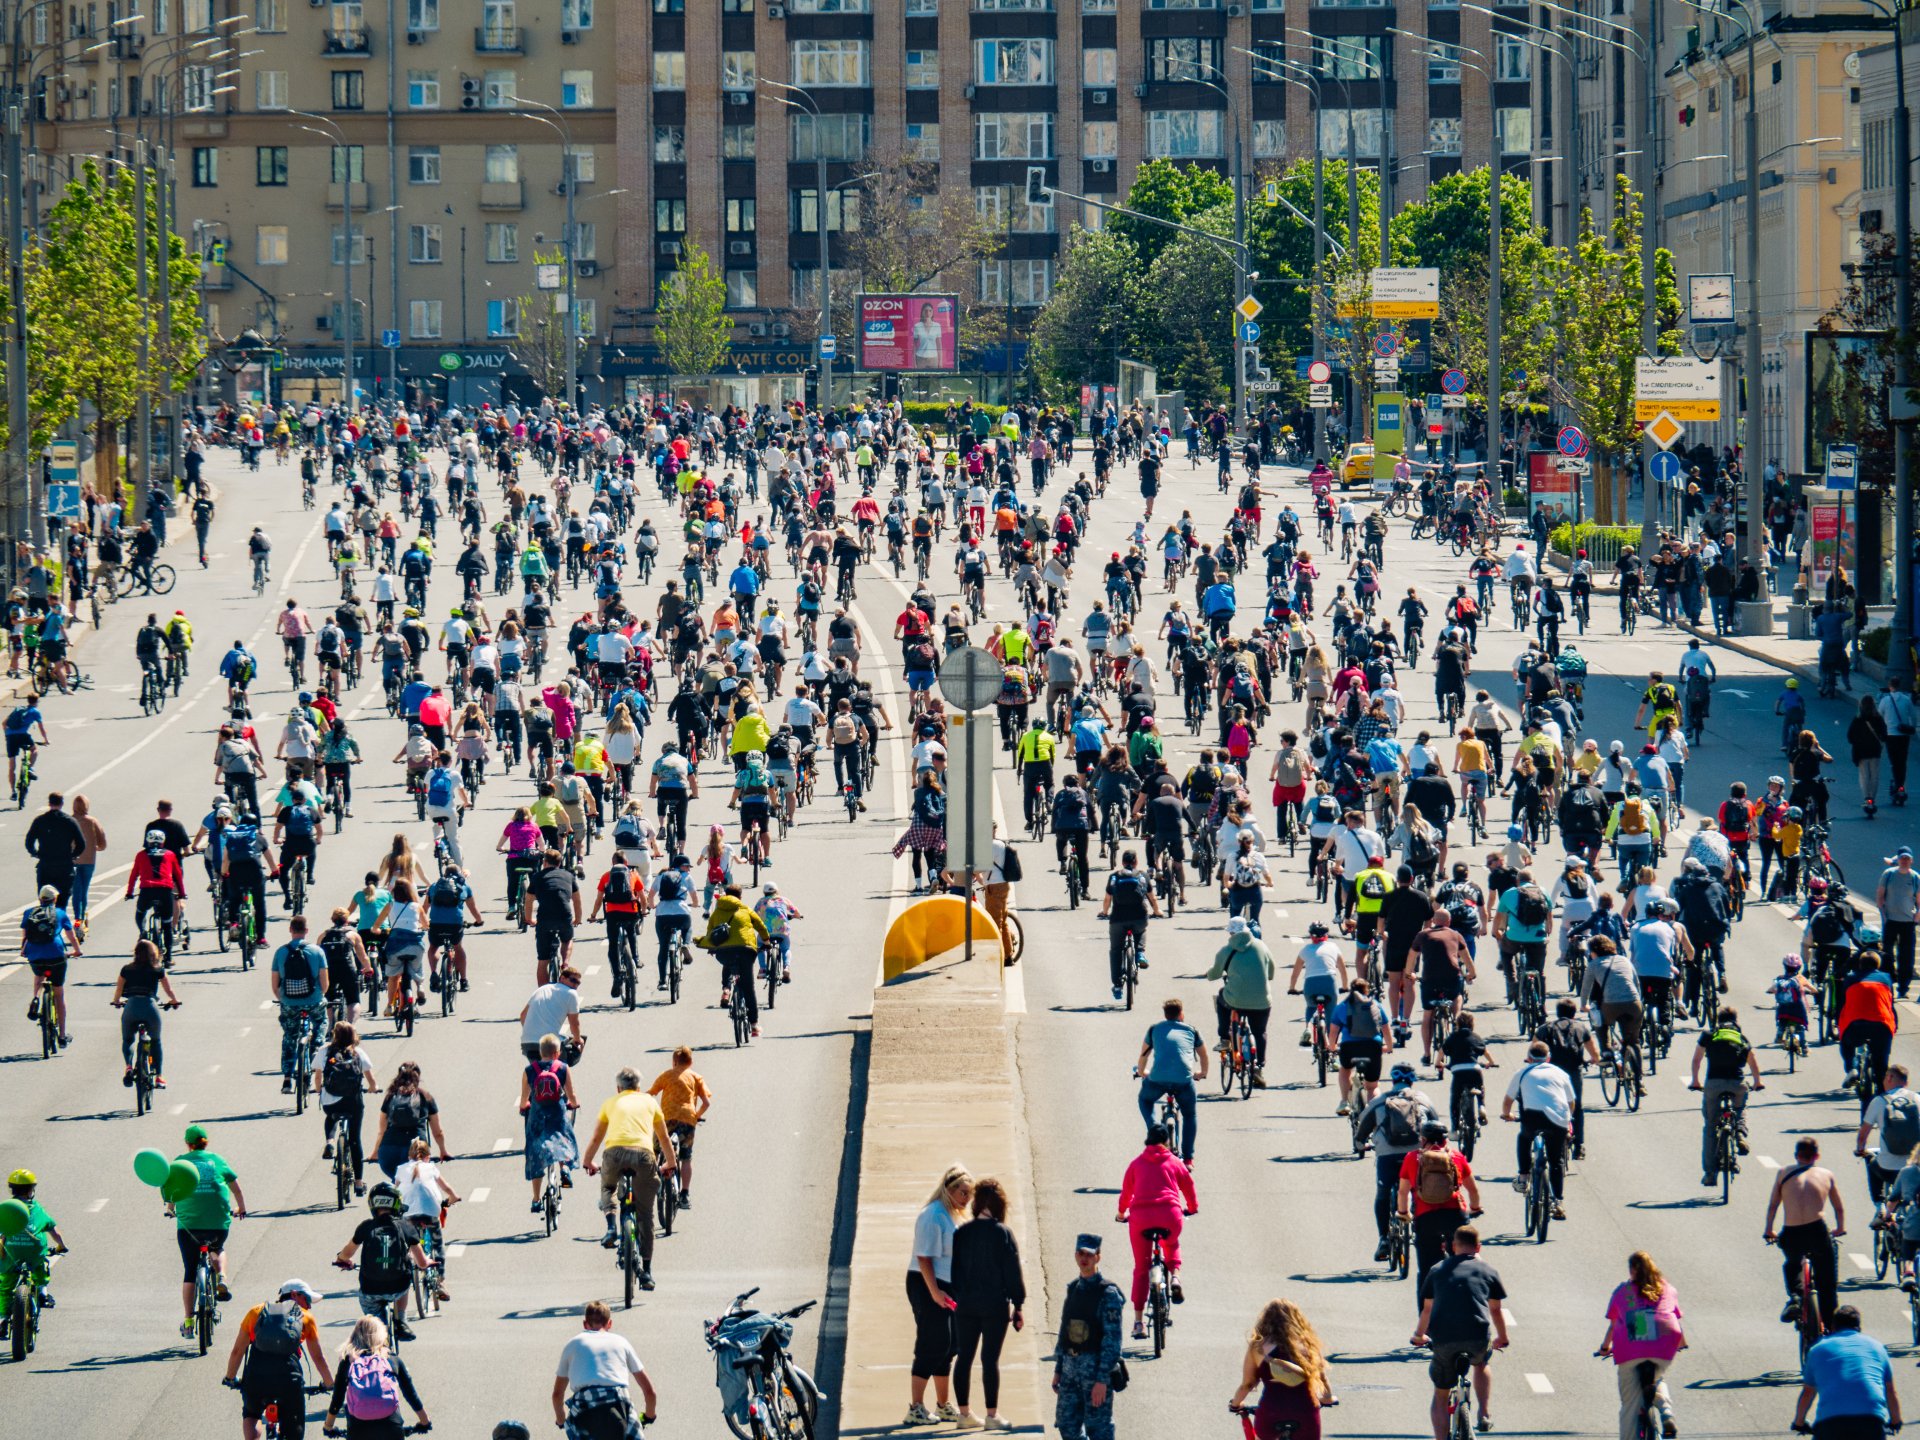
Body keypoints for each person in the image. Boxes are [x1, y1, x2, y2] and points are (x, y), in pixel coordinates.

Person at [580, 1067, 677, 1289]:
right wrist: (670, 1163)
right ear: (639, 1087)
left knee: (608, 1188)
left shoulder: (610, 1103)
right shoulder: (650, 1102)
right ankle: (647, 1272)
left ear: (618, 1088)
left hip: (614, 1154)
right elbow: (662, 1137)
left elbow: (597, 1138)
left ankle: (612, 1227)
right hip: (643, 1156)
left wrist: (588, 1161)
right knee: (645, 1216)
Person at [1411, 1226, 1509, 1440]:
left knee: (1440, 1394)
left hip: (1444, 1339)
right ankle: (1483, 1412)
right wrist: (1502, 1337)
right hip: (1477, 1335)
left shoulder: (1437, 1270)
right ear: (1478, 1247)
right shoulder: (1489, 1271)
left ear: (1452, 1247)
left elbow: (1427, 1309)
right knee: (1482, 1362)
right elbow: (1495, 1310)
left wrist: (1419, 1336)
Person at [950, 1177, 1027, 1432]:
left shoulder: (962, 1233)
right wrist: (1018, 1305)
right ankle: (992, 1415)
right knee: (989, 1359)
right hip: (994, 1305)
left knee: (964, 1358)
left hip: (966, 1305)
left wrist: (960, 1298)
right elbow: (1012, 1273)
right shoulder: (1002, 1233)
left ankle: (963, 1414)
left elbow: (955, 1272)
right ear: (999, 1205)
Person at [905, 1164, 973, 1426]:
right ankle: (915, 1407)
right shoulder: (932, 1215)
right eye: (963, 1193)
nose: (967, 1199)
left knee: (951, 1345)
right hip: (926, 1284)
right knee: (933, 1344)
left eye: (969, 1194)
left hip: (947, 1284)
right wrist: (934, 1292)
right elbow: (923, 1257)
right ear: (948, 1190)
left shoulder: (950, 1214)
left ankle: (943, 1405)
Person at [223, 1278, 333, 1440]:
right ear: (295, 1295)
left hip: (256, 1378)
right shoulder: (305, 1318)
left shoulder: (256, 1312)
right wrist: (329, 1383)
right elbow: (318, 1357)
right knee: (294, 1428)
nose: (309, 1305)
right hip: (288, 1380)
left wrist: (230, 1378)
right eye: (307, 1299)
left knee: (252, 1415)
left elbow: (237, 1351)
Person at [1115, 1123, 1197, 1338]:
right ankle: (1176, 1278)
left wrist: (1121, 1214)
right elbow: (1188, 1185)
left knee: (1141, 1269)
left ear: (1148, 1140)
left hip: (1140, 1218)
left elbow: (1126, 1194)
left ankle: (1139, 1322)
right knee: (1171, 1243)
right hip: (1170, 1215)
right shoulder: (1174, 1162)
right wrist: (1192, 1208)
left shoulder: (1136, 1164)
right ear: (1166, 1142)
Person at [1598, 1251, 1686, 1440]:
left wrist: (1605, 1347)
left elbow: (1614, 1324)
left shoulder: (1623, 1290)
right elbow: (1675, 1319)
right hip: (1665, 1339)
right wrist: (1682, 1344)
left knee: (1630, 1405)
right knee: (1657, 1377)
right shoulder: (1668, 1288)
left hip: (1633, 1344)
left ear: (1631, 1270)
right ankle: (1667, 1412)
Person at [172, 1123, 246, 1336]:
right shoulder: (218, 1160)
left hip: (189, 1227)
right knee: (217, 1247)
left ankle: (188, 1321)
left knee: (189, 1270)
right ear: (206, 1142)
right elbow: (236, 1187)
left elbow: (169, 1189)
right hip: (217, 1224)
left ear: (188, 1144)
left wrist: (170, 1207)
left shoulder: (180, 1162)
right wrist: (241, 1207)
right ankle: (222, 1276)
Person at [1765, 1136, 1845, 1329]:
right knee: (1826, 1282)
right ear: (1817, 1156)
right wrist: (1840, 1228)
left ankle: (1795, 1296)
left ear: (1796, 1155)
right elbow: (1839, 1208)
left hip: (1792, 1232)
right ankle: (1830, 1325)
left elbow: (1773, 1206)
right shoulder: (1826, 1174)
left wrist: (1769, 1230)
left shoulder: (1783, 1172)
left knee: (1792, 1264)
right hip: (1816, 1229)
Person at [1398, 1120, 1481, 1306]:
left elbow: (1403, 1191)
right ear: (1445, 1139)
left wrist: (1403, 1212)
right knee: (1464, 1263)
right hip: (1455, 1214)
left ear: (1423, 1139)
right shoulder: (1457, 1157)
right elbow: (1473, 1190)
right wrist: (1475, 1208)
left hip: (1426, 1217)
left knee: (1426, 1269)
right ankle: (1467, 1305)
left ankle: (1424, 1323)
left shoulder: (1413, 1158)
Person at [334, 1182, 432, 1338]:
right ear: (397, 1203)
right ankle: (401, 1320)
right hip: (397, 1288)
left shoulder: (366, 1227)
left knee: (373, 1323)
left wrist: (342, 1260)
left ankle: (375, 1336)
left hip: (370, 1290)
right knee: (406, 1276)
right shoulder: (405, 1226)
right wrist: (427, 1263)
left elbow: (346, 1254)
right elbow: (421, 1262)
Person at [1052, 1233, 1125, 1440]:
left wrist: (1102, 1379)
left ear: (1098, 1257)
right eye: (1081, 1253)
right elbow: (1064, 1330)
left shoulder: (1108, 1294)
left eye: (1090, 1255)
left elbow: (1113, 1339)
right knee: (1066, 1424)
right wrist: (1058, 1369)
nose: (1084, 1258)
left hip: (1094, 1372)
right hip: (1070, 1370)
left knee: (1098, 1428)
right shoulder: (1073, 1288)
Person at [1228, 1298, 1334, 1440]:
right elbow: (1322, 1378)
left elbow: (1247, 1384)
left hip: (1271, 1412)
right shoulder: (1308, 1344)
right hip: (1305, 1412)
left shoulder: (1258, 1346)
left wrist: (1236, 1404)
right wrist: (1327, 1398)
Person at [551, 1300, 657, 1440]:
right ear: (610, 1324)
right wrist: (649, 1416)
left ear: (585, 1324)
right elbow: (650, 1392)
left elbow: (557, 1395)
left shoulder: (572, 1344)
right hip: (619, 1401)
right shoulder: (621, 1342)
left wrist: (561, 1420)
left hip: (586, 1405)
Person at [1793, 1305, 1901, 1440]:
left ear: (1833, 1328)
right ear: (1859, 1328)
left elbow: (1808, 1393)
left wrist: (1799, 1422)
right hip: (1871, 1421)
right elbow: (1890, 1391)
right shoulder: (1877, 1347)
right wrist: (1895, 1421)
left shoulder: (1817, 1350)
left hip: (1831, 1423)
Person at [1500, 1039, 1576, 1220]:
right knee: (1556, 1160)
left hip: (1532, 1118)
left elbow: (1508, 1101)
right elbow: (1571, 1102)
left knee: (1524, 1138)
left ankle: (1524, 1176)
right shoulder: (1561, 1073)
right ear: (1548, 1058)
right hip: (1558, 1120)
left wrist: (1507, 1115)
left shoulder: (1522, 1073)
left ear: (1528, 1058)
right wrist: (1567, 1119)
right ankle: (1558, 1201)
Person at [323, 1315, 431, 1439]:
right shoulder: (391, 1358)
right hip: (391, 1426)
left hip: (359, 1429)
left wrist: (328, 1426)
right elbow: (410, 1394)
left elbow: (338, 1397)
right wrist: (424, 1421)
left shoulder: (348, 1361)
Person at [1690, 1005, 1763, 1187]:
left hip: (1714, 1084)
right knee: (1740, 1108)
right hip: (1737, 1084)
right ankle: (1739, 1132)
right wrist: (1757, 1082)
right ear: (1736, 1021)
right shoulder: (1740, 1037)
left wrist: (1695, 1081)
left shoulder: (1709, 1035)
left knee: (1710, 1128)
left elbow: (1697, 1059)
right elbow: (1752, 1061)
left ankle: (1709, 1174)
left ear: (1718, 1020)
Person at [1135, 997, 1207, 1164]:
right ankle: (1188, 1158)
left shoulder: (1154, 1029)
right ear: (1181, 1014)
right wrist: (1202, 1072)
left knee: (1145, 1100)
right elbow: (1203, 1055)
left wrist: (1141, 1072)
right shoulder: (1192, 1030)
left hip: (1157, 1079)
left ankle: (1155, 1130)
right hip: (1183, 1080)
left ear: (1165, 1015)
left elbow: (1143, 1055)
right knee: (1190, 1114)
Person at [521, 1032, 581, 1214]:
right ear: (557, 1052)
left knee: (535, 1152)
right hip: (557, 1113)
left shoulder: (530, 1070)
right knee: (564, 1138)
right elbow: (571, 1095)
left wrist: (525, 1105)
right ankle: (565, 1170)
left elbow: (524, 1098)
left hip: (537, 1117)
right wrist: (573, 1103)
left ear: (540, 1052)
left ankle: (536, 1199)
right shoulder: (563, 1068)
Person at [647, 1045, 713, 1209]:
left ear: (674, 1062)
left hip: (667, 1118)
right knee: (686, 1157)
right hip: (687, 1119)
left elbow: (651, 1093)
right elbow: (706, 1103)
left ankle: (651, 1183)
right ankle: (684, 1193)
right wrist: (696, 1116)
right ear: (690, 1062)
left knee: (655, 1148)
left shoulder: (666, 1075)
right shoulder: (696, 1077)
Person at [112, 936, 181, 1088]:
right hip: (150, 1008)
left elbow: (118, 990)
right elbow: (168, 990)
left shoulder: (126, 969)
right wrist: (174, 1001)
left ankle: (129, 1066)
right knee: (155, 1041)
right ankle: (159, 1076)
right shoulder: (158, 970)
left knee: (128, 1040)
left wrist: (117, 1001)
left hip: (131, 1008)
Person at [271, 916, 329, 1095]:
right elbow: (324, 983)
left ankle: (287, 1079)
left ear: (290, 930)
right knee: (321, 1023)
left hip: (289, 1002)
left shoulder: (280, 952)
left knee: (289, 1036)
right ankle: (315, 1053)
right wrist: (319, 996)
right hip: (313, 1001)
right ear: (307, 930)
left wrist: (284, 1000)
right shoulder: (317, 951)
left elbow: (275, 984)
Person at [1098, 848, 1159, 1002]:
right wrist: (1157, 911)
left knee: (1116, 951)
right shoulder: (1143, 876)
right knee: (1142, 929)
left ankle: (1117, 986)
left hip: (1118, 918)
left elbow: (1107, 899)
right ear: (1136, 862)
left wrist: (1104, 912)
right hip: (1139, 916)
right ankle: (1139, 952)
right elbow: (1152, 898)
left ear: (1123, 862)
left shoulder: (1114, 876)